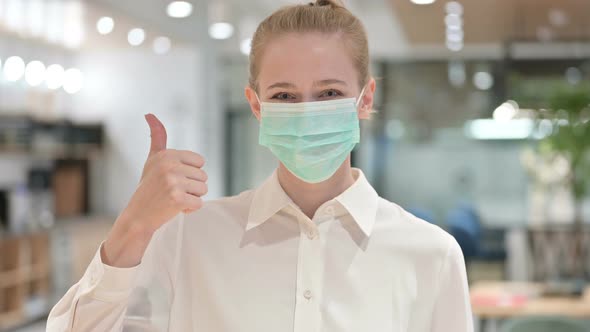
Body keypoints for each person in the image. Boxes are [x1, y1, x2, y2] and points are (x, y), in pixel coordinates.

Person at [47, 1, 473, 331]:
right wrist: (134, 225)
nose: (306, 114)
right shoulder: (189, 239)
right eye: (284, 96)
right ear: (256, 105)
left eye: (328, 93)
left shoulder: (430, 256)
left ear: (365, 98)